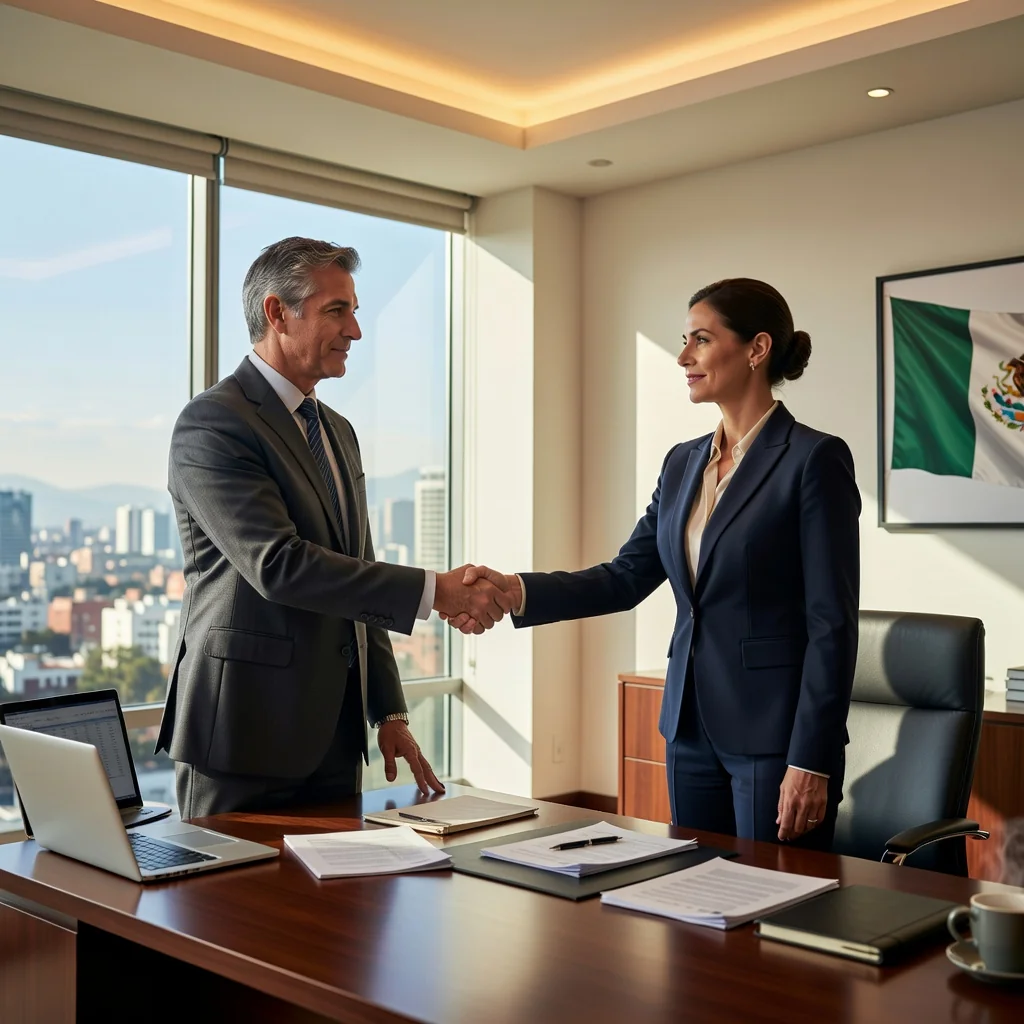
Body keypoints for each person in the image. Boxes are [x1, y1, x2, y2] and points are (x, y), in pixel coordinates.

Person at [451, 279, 860, 849]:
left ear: (757, 348)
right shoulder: (682, 463)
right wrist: (516, 590)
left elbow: (832, 623)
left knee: (775, 897)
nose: (683, 356)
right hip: (688, 727)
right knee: (692, 893)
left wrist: (810, 759)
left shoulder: (813, 460)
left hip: (774, 739)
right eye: (684, 340)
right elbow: (625, 578)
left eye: (701, 339)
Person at [156, 236, 514, 818]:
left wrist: (389, 711)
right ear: (277, 313)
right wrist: (436, 591)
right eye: (337, 311)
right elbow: (278, 565)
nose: (356, 331)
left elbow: (357, 571)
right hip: (242, 738)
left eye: (354, 311)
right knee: (235, 883)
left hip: (335, 742)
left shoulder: (337, 431)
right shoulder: (213, 423)